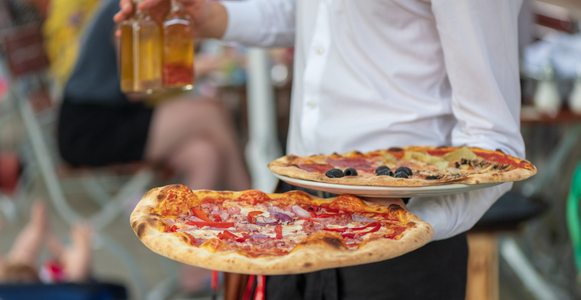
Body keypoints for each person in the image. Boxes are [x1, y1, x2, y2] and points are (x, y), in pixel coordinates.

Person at [116, 1, 525, 299]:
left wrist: (406, 226)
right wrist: (215, 16)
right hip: (292, 211)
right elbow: (311, 12)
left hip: (398, 233)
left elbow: (495, 144)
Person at [57, 0, 252, 193]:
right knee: (212, 111)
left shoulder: (156, 9)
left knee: (206, 154)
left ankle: (186, 223)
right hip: (91, 127)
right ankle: (253, 203)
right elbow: (138, 88)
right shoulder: (129, 10)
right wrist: (205, 65)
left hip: (121, 114)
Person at [0, 201, 93, 283]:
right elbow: (76, 277)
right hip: (50, 289)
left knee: (20, 257)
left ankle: (37, 228)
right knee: (75, 275)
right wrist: (83, 246)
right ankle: (37, 228)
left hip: (17, 285)